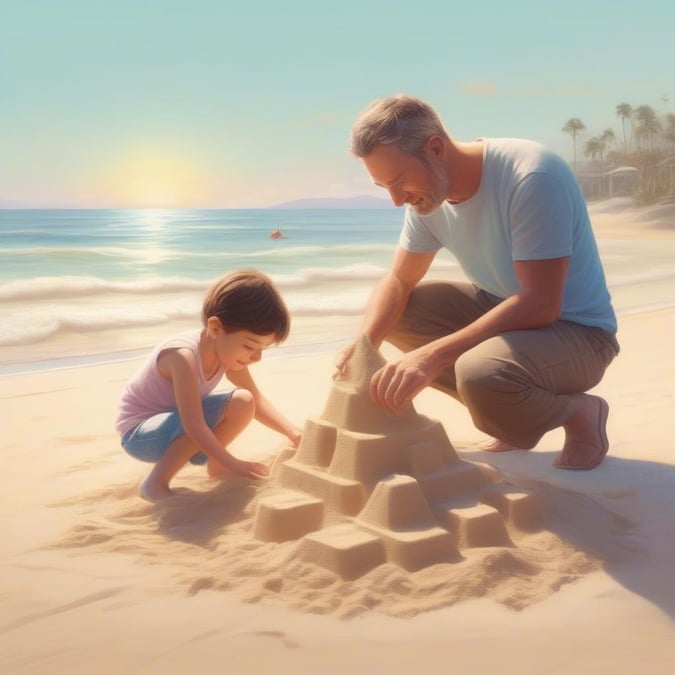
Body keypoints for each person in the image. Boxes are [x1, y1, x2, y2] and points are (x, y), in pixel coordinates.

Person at [337, 94, 619, 470]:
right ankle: (503, 406)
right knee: (403, 313)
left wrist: (432, 355)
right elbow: (398, 281)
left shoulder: (532, 177)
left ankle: (578, 413)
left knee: (479, 373)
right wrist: (364, 345)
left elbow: (540, 303)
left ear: (435, 148)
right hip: (503, 307)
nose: (396, 200)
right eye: (384, 187)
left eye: (400, 181)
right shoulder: (427, 197)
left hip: (579, 334)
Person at [116, 270, 302, 500]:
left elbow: (256, 397)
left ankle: (216, 466)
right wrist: (235, 463)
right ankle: (155, 482)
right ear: (216, 328)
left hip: (176, 429)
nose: (256, 358)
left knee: (244, 400)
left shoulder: (225, 352)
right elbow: (193, 424)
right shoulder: (182, 357)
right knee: (204, 417)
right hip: (140, 436)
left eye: (263, 349)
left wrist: (293, 433)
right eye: (250, 346)